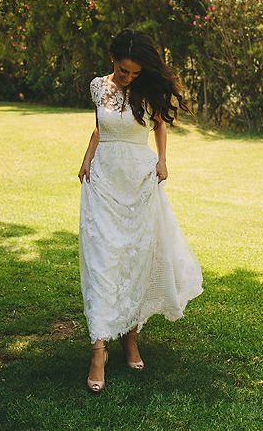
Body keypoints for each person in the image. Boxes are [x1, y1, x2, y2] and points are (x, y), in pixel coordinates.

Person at [78, 29, 203, 392]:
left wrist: (163, 161)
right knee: (103, 258)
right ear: (111, 59)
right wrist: (86, 159)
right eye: (123, 71)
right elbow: (99, 128)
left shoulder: (149, 88)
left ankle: (130, 337)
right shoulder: (98, 87)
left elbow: (160, 126)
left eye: (135, 72)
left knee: (136, 258)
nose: (128, 78)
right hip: (102, 180)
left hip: (139, 179)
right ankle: (98, 349)